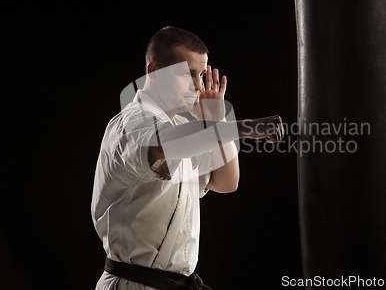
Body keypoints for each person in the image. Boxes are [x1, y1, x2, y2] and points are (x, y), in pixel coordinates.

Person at [91, 26, 284, 290]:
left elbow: (227, 182)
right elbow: (164, 145)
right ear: (154, 72)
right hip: (132, 283)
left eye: (202, 75)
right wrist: (245, 127)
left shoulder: (188, 130)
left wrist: (217, 121)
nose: (197, 85)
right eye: (187, 74)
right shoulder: (130, 123)